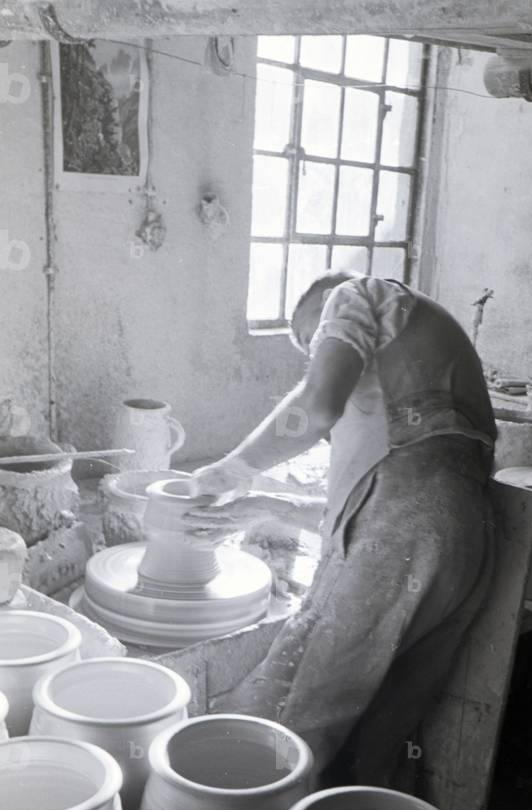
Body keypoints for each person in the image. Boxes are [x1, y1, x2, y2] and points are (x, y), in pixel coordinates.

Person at [186, 272, 497, 782]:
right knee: (381, 731)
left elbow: (317, 407)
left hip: (410, 530)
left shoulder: (358, 294)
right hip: (466, 542)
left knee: (303, 720)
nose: (320, 351)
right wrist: (268, 505)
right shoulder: (412, 379)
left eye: (316, 340)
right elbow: (371, 516)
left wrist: (232, 469)